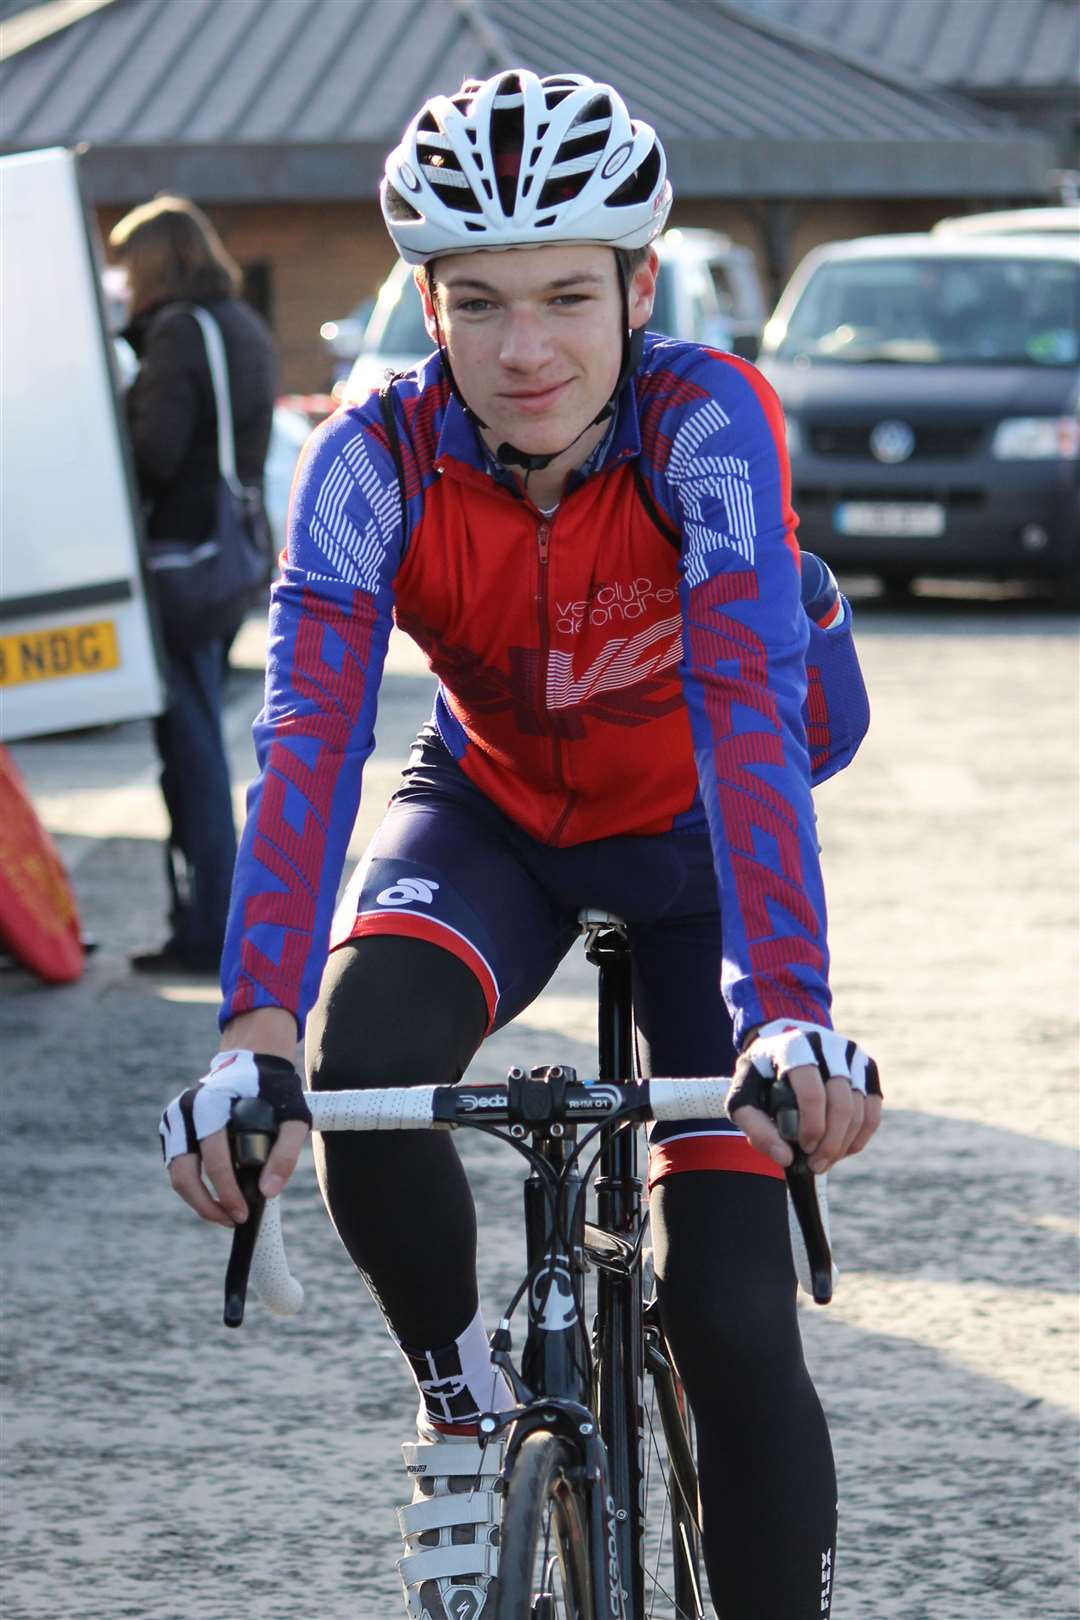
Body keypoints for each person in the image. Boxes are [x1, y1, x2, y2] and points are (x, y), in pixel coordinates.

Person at [159, 72, 881, 1620]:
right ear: (425, 299)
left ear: (638, 284)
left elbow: (750, 711)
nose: (526, 349)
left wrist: (790, 1010)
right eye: (476, 303)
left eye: (567, 295)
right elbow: (305, 748)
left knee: (738, 1322)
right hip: (495, 808)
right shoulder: (374, 458)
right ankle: (461, 1399)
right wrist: (253, 1030)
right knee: (362, 1067)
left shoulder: (709, 419)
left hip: (693, 830)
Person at [110, 195, 277, 975]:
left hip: (182, 560)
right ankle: (210, 919)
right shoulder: (238, 323)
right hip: (227, 560)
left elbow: (154, 455)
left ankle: (209, 927)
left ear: (152, 263)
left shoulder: (179, 332)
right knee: (199, 738)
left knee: (192, 749)